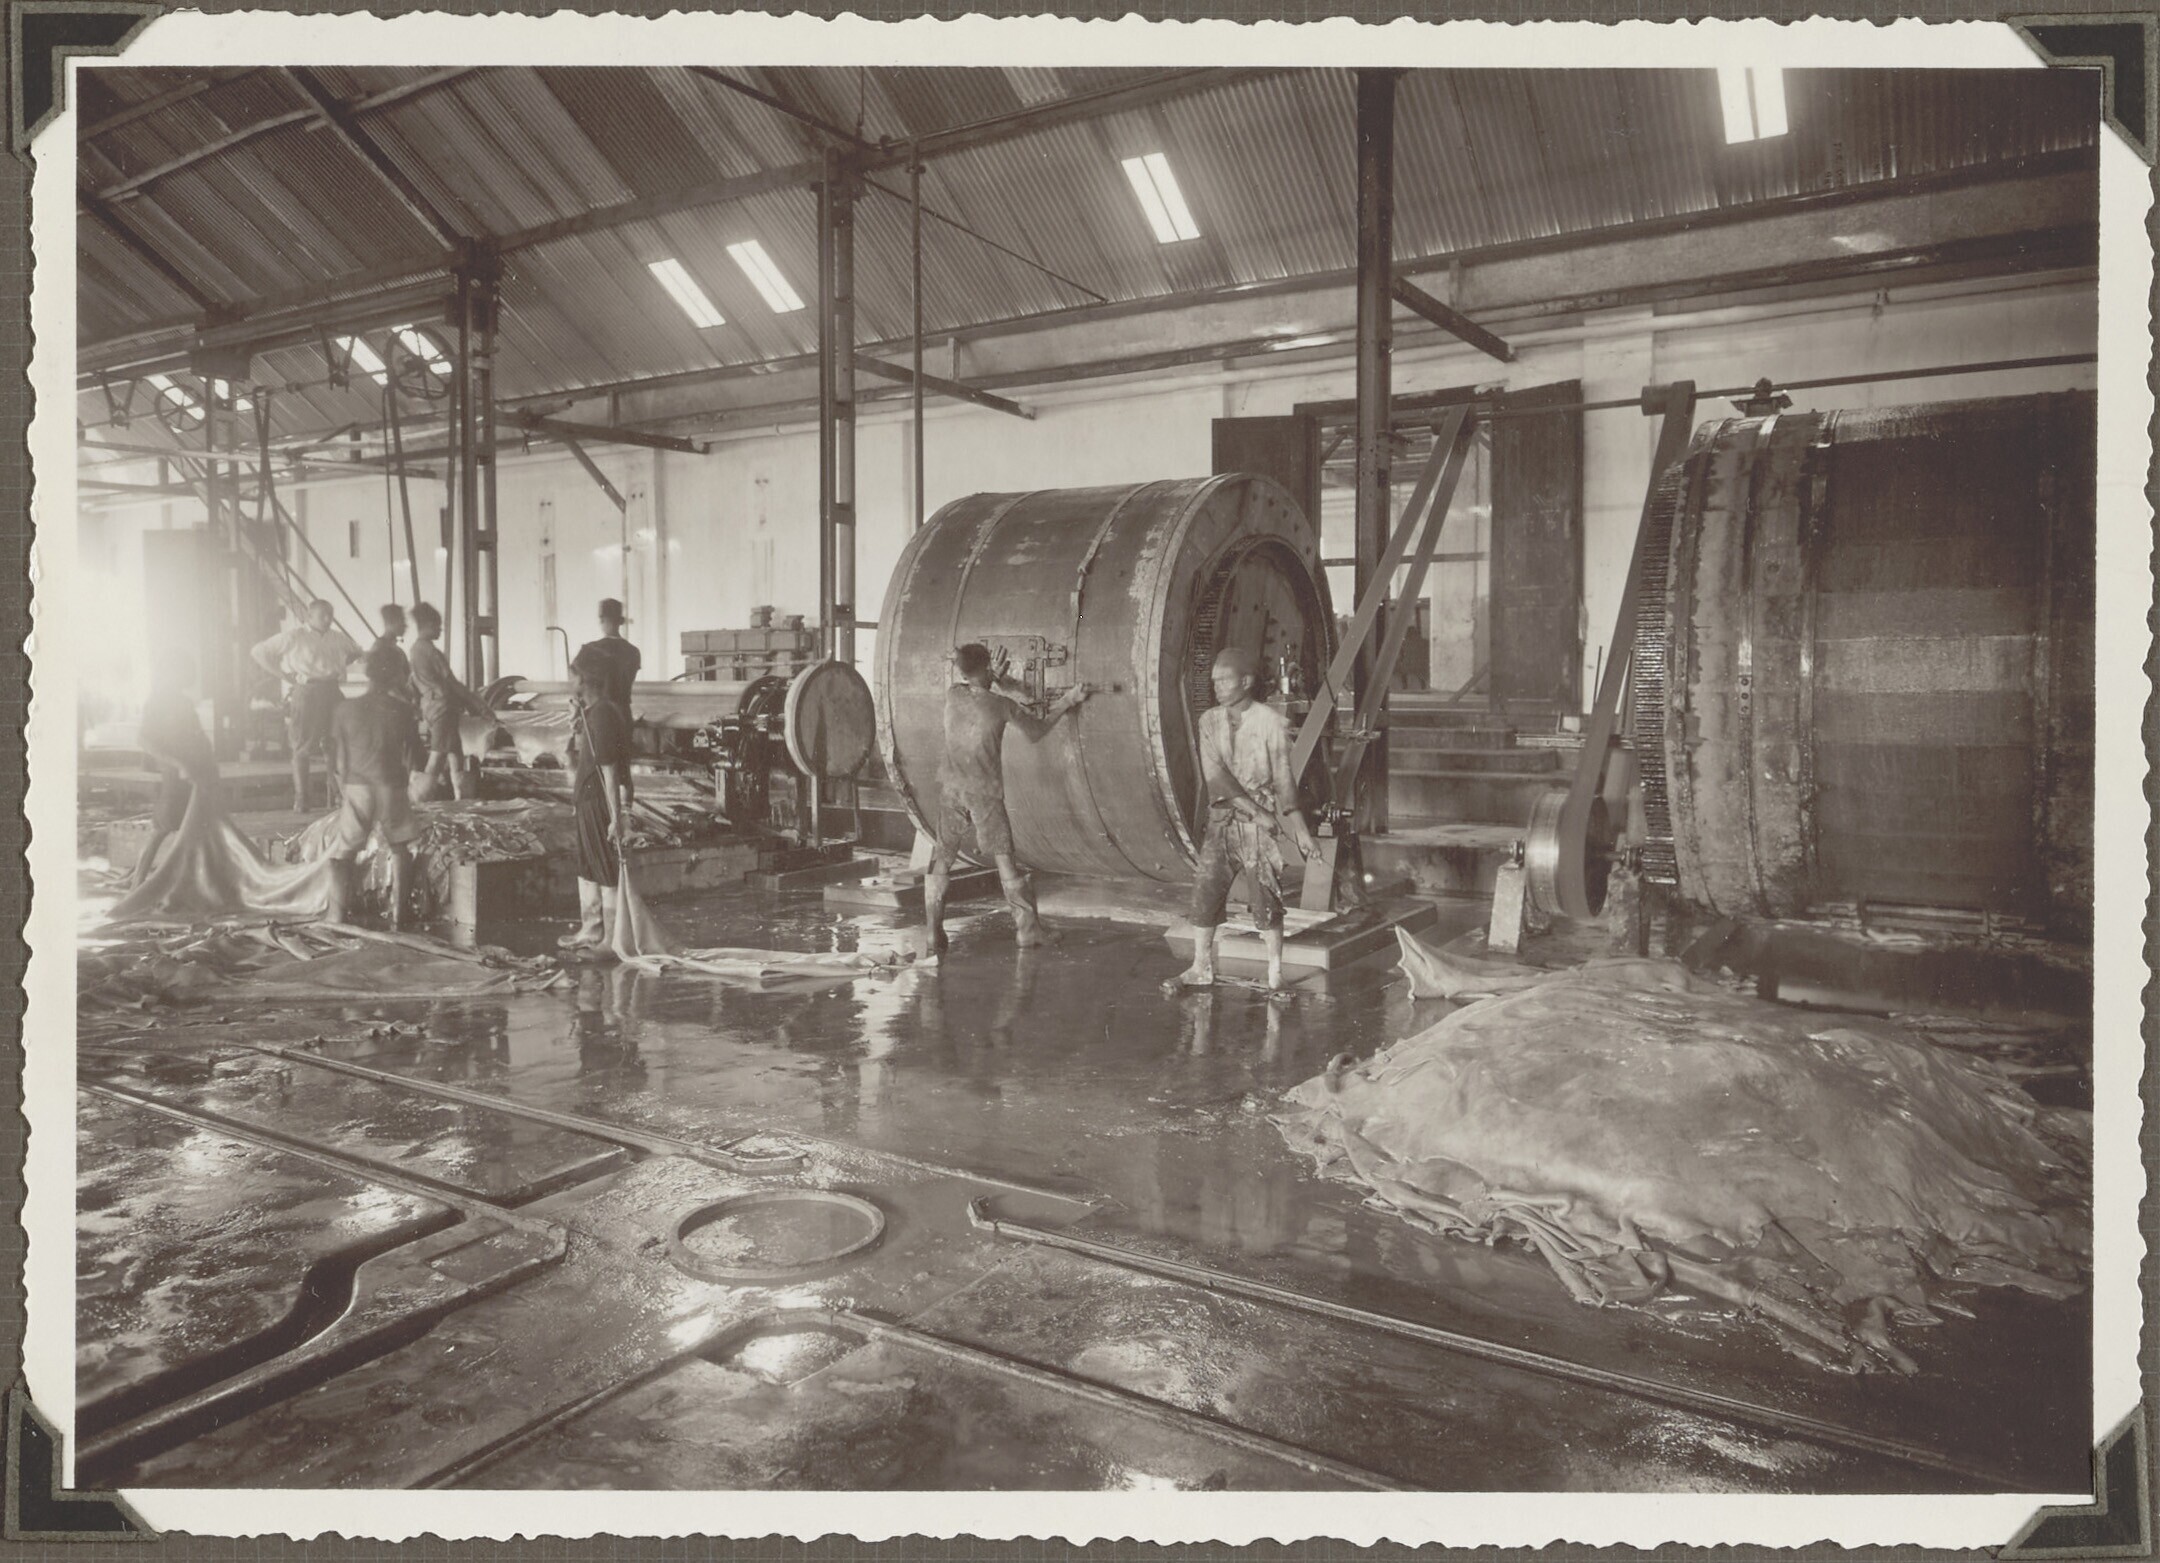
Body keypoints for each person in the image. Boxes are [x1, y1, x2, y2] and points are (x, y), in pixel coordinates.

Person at [925, 643, 1091, 957]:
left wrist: (994, 677)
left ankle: (933, 932)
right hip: (984, 793)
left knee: (943, 857)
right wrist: (1068, 700)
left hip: (951, 788)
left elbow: (977, 687)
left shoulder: (953, 694)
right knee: (1004, 858)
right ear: (988, 667)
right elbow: (1037, 730)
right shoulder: (1002, 706)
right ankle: (1028, 930)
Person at [1176, 646, 1320, 993]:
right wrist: (1260, 813)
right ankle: (1200, 967)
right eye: (1214, 681)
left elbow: (1284, 779)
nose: (1217, 687)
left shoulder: (1270, 723)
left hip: (1257, 830)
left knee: (1266, 898)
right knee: (1205, 894)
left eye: (1224, 680)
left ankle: (1275, 974)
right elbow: (1216, 777)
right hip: (1223, 821)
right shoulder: (1209, 721)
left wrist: (1302, 832)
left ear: (1246, 681)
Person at [325, 643, 424, 929]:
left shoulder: (344, 708)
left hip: (357, 785)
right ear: (394, 675)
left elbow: (338, 758)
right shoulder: (402, 710)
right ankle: (400, 914)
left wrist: (342, 786)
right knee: (399, 847)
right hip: (390, 785)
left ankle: (336, 915)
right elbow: (414, 755)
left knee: (345, 851)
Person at [252, 599, 362, 812]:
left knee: (335, 744)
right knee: (302, 747)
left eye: (330, 615)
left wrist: (340, 664)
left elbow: (357, 652)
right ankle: (302, 799)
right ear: (309, 617)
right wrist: (282, 675)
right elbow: (258, 651)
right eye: (323, 615)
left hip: (333, 691)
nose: (328, 619)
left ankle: (337, 795)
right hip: (307, 693)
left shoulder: (338, 637)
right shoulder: (295, 636)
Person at [559, 653, 634, 953]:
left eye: (571, 676)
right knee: (588, 865)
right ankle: (591, 931)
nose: (568, 681)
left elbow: (610, 770)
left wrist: (616, 817)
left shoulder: (603, 714)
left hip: (598, 801)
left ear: (583, 679)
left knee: (603, 867)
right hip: (587, 800)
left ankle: (611, 939)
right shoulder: (594, 712)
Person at [130, 651, 218, 888]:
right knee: (163, 826)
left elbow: (198, 735)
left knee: (197, 824)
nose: (186, 676)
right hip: (175, 769)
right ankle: (137, 884)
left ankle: (194, 883)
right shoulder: (156, 702)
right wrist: (178, 764)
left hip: (197, 767)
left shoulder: (184, 703)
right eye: (181, 672)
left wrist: (209, 764)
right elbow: (144, 739)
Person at [407, 602, 488, 800]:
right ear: (427, 625)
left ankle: (462, 800)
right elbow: (452, 683)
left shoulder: (415, 650)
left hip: (433, 708)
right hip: (442, 709)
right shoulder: (429, 650)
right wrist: (480, 706)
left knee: (455, 756)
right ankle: (419, 801)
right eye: (437, 625)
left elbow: (413, 684)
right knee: (436, 758)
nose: (440, 629)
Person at [574, 597, 641, 714]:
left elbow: (576, 682)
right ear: (621, 621)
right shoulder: (633, 651)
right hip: (623, 715)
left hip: (598, 716)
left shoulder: (589, 650)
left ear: (601, 620)